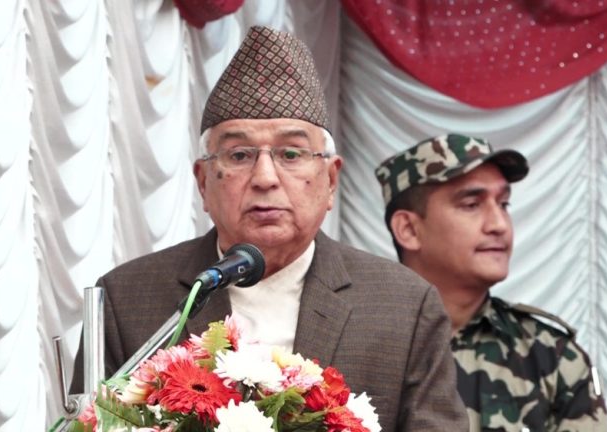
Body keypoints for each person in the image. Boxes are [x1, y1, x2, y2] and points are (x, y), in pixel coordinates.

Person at [70, 26, 468, 430]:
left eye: (291, 154)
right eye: (239, 155)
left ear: (331, 180)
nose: (264, 178)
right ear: (203, 183)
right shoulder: (127, 299)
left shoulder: (404, 305)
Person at [374, 134, 607, 431]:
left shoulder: (551, 355)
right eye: (472, 204)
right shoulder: (359, 340)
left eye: (504, 204)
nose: (499, 225)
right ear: (408, 229)